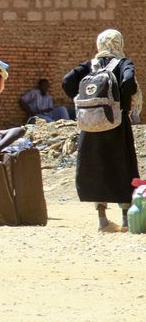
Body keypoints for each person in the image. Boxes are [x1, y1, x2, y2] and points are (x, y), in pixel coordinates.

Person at [62, 29, 142, 232]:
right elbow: (129, 82)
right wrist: (121, 104)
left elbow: (67, 82)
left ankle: (102, 220)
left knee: (95, 168)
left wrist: (85, 103)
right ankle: (125, 218)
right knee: (122, 166)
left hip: (89, 126)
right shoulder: (123, 62)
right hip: (116, 124)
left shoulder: (90, 65)